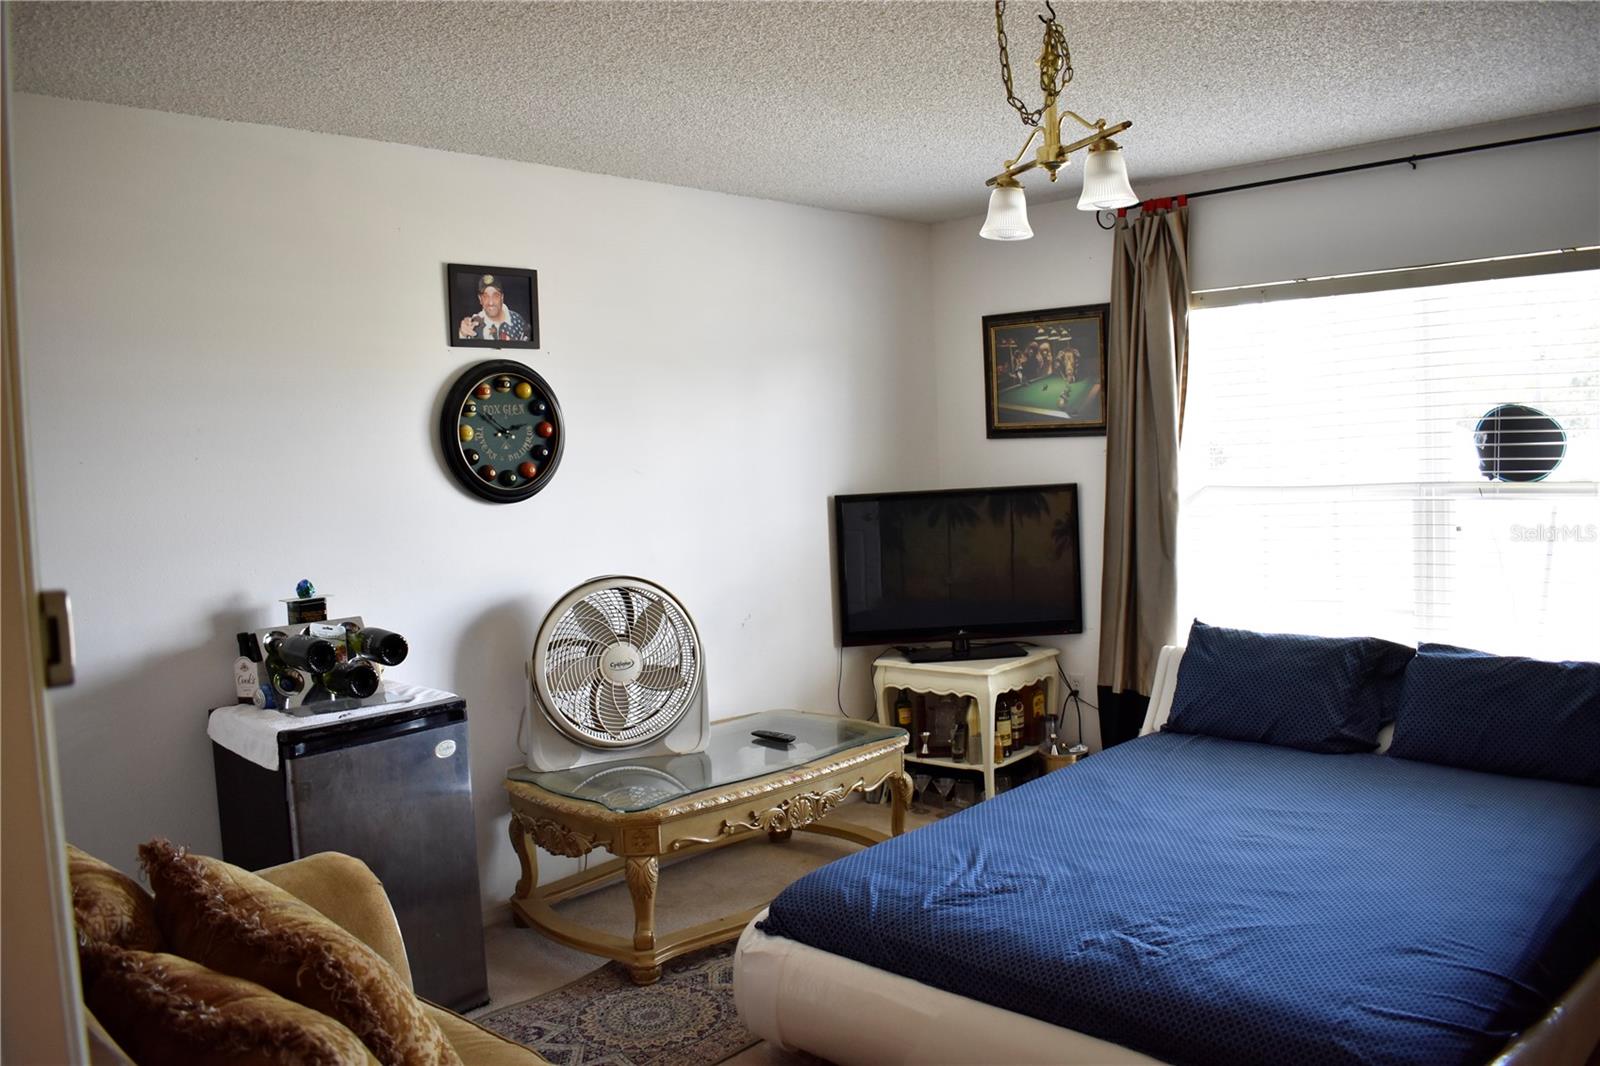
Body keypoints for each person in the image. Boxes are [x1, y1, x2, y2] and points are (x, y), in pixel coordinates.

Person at [458, 274, 530, 342]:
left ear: (502, 297)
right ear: (480, 299)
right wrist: (462, 334)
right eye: (485, 296)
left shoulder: (517, 320)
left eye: (495, 296)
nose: (491, 303)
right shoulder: (473, 325)